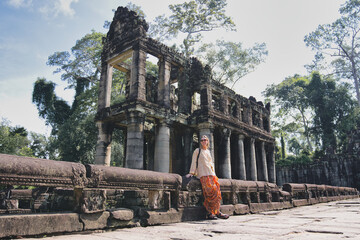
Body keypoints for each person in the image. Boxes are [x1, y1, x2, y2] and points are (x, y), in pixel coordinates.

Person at [186, 135, 229, 220]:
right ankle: (210, 213)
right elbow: (194, 161)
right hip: (203, 174)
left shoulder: (208, 152)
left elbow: (211, 164)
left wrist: (214, 174)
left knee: (217, 192)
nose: (203, 141)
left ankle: (217, 211)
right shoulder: (197, 151)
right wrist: (191, 172)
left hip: (211, 174)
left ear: (207, 141)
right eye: (202, 140)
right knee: (208, 193)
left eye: (205, 140)